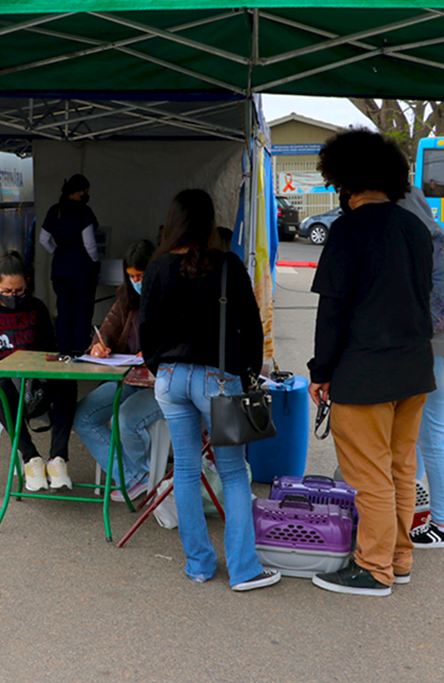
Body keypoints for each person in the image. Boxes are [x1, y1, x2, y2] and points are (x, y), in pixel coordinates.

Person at [307, 130, 435, 597]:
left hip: (365, 372)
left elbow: (333, 309)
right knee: (400, 468)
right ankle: (399, 558)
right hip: (415, 369)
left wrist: (320, 371)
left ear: (345, 180)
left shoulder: (348, 230)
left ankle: (374, 568)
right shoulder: (415, 228)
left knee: (369, 475)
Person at [139, 189, 280, 592]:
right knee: (233, 473)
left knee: (186, 469)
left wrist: (161, 367)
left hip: (169, 379)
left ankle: (198, 565)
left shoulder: (156, 268)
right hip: (216, 380)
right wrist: (248, 375)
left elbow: (147, 330)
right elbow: (251, 327)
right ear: (208, 222)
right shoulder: (227, 265)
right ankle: (243, 570)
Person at [0, 251, 78, 492]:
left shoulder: (36, 308)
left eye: (19, 291)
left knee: (67, 382)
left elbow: (49, 350)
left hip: (32, 381)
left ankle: (58, 459)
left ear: (27, 283)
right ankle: (30, 457)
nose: (13, 296)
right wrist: (10, 366)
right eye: (7, 291)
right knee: (1, 385)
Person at [400, 187, 444, 549]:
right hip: (443, 350)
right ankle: (411, 510)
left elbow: (436, 315)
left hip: (438, 352)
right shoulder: (436, 237)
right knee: (420, 437)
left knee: (432, 438)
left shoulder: (434, 244)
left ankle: (443, 525)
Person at [73, 240, 163, 502]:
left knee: (126, 419)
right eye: (132, 276)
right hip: (130, 379)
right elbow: (107, 331)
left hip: (163, 384)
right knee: (82, 416)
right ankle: (135, 477)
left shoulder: (170, 297)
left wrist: (154, 354)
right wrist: (98, 346)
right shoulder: (126, 297)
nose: (136, 282)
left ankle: (138, 477)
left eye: (141, 276)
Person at [39, 174, 99, 356]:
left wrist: (55, 251)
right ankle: (80, 348)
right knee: (82, 310)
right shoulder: (84, 212)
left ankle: (64, 348)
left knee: (63, 309)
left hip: (60, 268)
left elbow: (43, 239)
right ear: (80, 192)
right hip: (82, 269)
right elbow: (90, 244)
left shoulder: (54, 210)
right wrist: (95, 261)